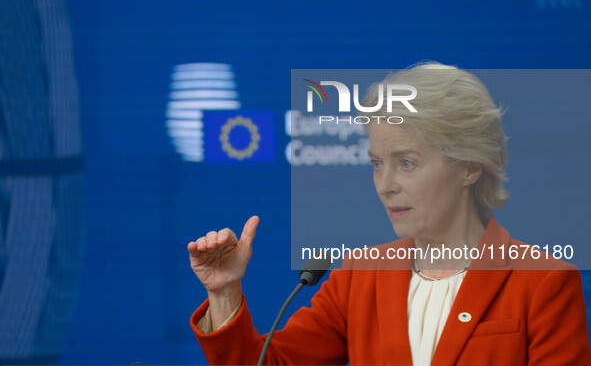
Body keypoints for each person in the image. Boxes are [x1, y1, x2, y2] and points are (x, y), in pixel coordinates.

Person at [187, 63, 591, 365]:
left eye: (408, 163)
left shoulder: (543, 283)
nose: (385, 185)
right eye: (377, 163)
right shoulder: (360, 276)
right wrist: (224, 294)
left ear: (469, 166)